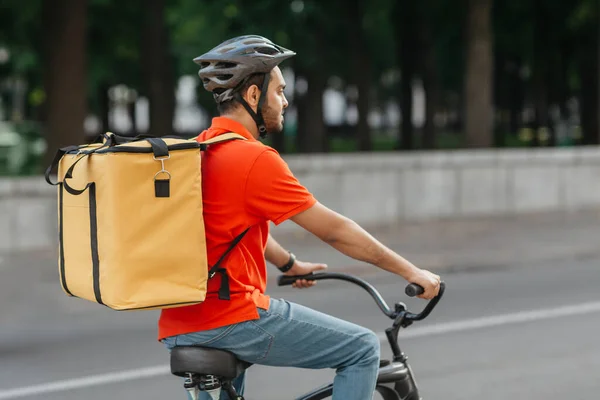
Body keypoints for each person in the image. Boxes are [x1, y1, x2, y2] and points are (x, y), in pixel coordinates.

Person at [159, 35, 442, 400]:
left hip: (180, 323)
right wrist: (411, 271)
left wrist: (288, 263)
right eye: (279, 90)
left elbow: (232, 227)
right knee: (361, 349)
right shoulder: (253, 159)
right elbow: (336, 231)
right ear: (253, 96)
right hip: (231, 317)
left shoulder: (200, 149)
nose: (285, 100)